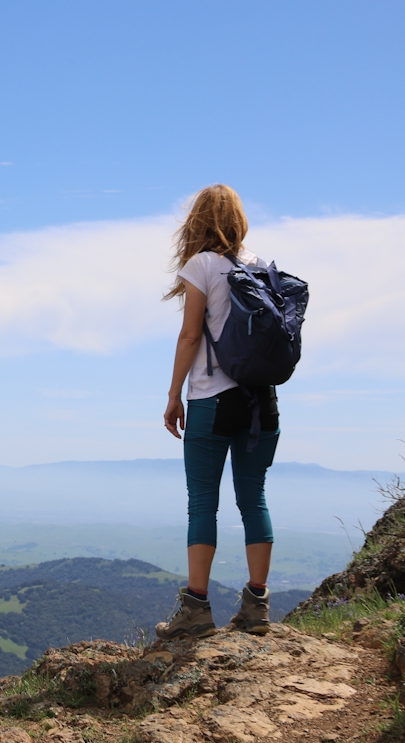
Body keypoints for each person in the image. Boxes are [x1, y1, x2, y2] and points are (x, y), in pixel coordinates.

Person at [156, 184, 279, 640]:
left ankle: (196, 611)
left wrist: (173, 395)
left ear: (197, 221)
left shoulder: (202, 265)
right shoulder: (261, 267)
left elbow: (190, 337)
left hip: (213, 400)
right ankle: (257, 608)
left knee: (203, 503)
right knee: (254, 499)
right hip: (262, 402)